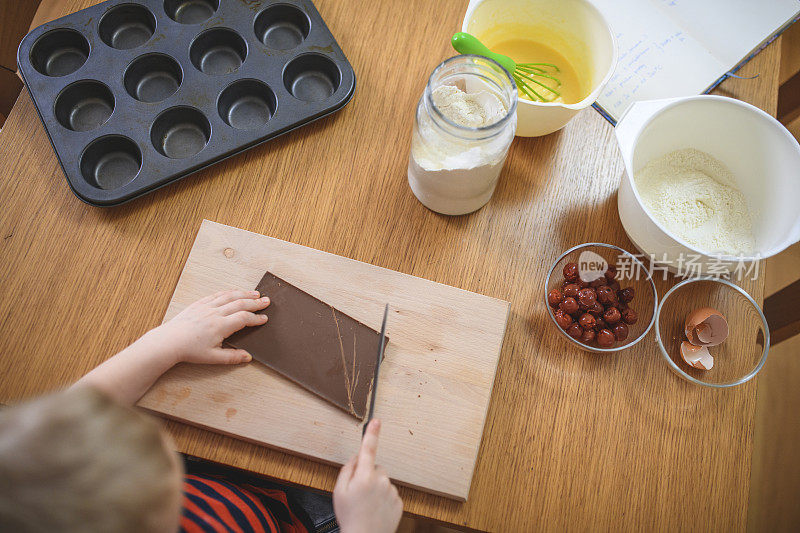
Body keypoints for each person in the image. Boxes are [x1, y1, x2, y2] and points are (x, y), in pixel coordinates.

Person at [0, 289, 403, 533]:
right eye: (164, 461)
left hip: (244, 497)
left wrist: (164, 343)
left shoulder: (22, 483)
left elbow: (72, 421)